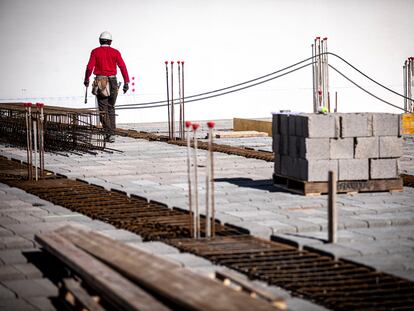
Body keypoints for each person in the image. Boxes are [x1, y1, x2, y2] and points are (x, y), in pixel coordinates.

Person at [84, 31, 130, 142]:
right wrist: (126, 82)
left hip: (101, 81)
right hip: (113, 81)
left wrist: (86, 79)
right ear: (110, 42)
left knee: (103, 109)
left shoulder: (95, 52)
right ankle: (112, 133)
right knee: (111, 107)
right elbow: (122, 67)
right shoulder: (115, 52)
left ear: (100, 40)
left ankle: (108, 133)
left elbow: (90, 67)